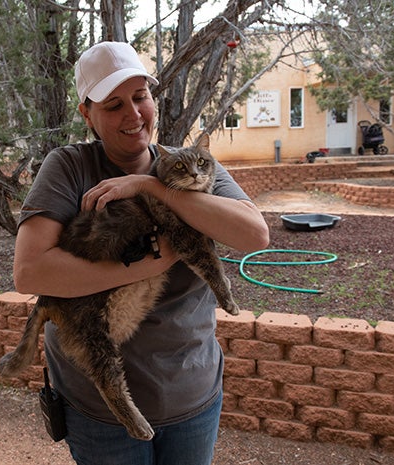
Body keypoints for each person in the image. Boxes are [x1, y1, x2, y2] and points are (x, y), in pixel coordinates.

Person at [13, 41, 269, 465]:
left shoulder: (188, 164)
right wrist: (159, 258)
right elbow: (31, 272)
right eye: (113, 105)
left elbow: (254, 235)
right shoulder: (70, 166)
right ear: (87, 114)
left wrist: (151, 187)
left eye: (140, 97)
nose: (133, 115)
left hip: (192, 393)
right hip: (98, 409)